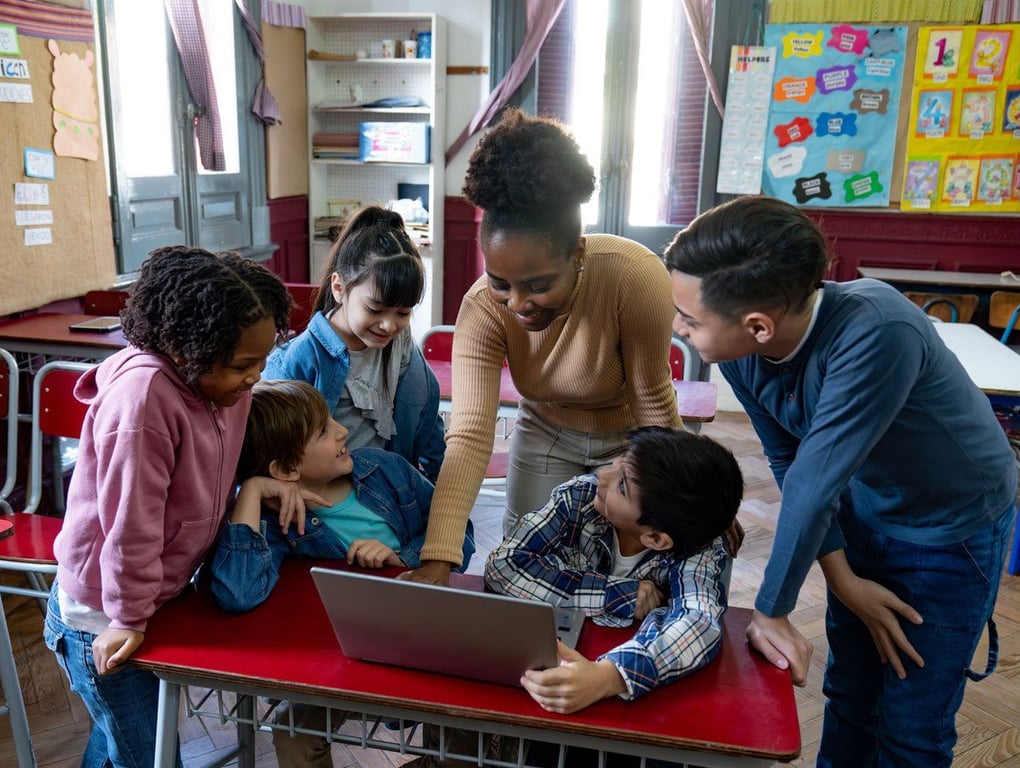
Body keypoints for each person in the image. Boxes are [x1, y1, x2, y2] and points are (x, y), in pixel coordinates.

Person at [663, 195, 1017, 766]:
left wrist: (772, 608)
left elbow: (815, 480)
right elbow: (791, 461)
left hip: (950, 533)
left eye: (689, 319)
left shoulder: (879, 327)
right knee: (849, 694)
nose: (677, 326)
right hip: (861, 510)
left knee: (911, 725)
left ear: (758, 325)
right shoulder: (741, 354)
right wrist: (845, 579)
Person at [406, 108, 684, 586]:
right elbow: (470, 435)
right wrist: (439, 557)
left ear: (577, 254)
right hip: (545, 434)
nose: (518, 303)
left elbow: (653, 400)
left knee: (631, 574)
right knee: (528, 570)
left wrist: (689, 493)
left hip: (629, 443)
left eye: (537, 283)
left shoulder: (633, 276)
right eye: (500, 281)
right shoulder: (482, 308)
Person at [44, 246, 295, 768]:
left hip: (152, 594)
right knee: (147, 756)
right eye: (243, 366)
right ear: (186, 349)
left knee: (125, 744)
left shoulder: (222, 385)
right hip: (102, 614)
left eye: (262, 361)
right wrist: (129, 617)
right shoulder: (143, 403)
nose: (255, 378)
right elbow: (129, 525)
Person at [207, 379, 474, 768]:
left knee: (466, 729)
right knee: (293, 733)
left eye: (332, 419)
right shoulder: (278, 521)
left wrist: (406, 557)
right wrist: (250, 492)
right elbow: (239, 591)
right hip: (337, 659)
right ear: (284, 469)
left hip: (424, 642)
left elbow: (457, 532)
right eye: (322, 430)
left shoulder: (387, 469)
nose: (342, 429)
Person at [487, 426, 742, 713]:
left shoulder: (700, 550)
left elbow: (698, 623)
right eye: (618, 461)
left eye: (622, 486)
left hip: (639, 703)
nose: (602, 476)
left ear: (656, 539)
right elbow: (504, 566)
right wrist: (617, 595)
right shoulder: (579, 498)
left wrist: (610, 676)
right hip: (558, 669)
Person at [264, 206, 445, 481]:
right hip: (325, 496)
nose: (389, 325)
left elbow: (426, 415)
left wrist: (437, 481)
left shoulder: (401, 343)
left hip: (389, 486)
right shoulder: (296, 362)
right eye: (375, 310)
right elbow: (267, 451)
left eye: (403, 313)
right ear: (339, 288)